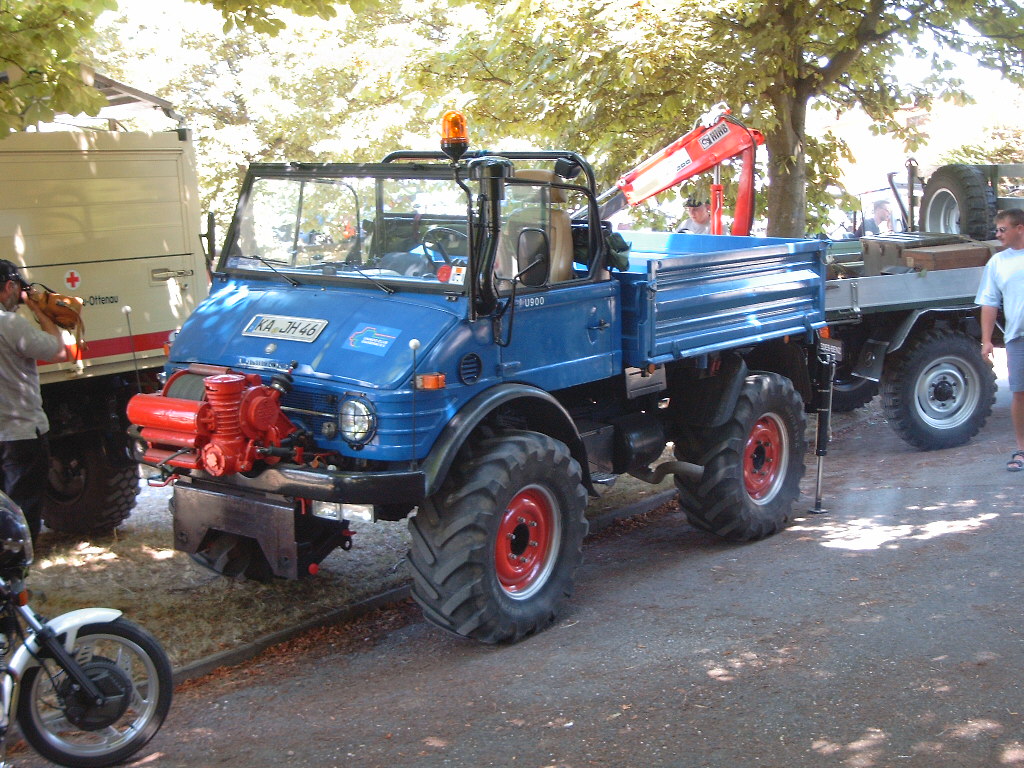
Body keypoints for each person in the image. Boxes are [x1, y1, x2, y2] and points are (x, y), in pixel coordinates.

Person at [0, 259, 69, 539]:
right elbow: (58, 352)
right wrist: (41, 312)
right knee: (20, 514)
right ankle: (18, 579)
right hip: (20, 434)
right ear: (9, 286)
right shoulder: (10, 323)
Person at [975, 209, 1024, 471]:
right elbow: (989, 302)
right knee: (1020, 393)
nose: (997, 234)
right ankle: (1022, 449)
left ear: (1020, 228)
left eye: (1003, 229)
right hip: (1018, 337)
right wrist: (986, 339)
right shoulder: (998, 262)